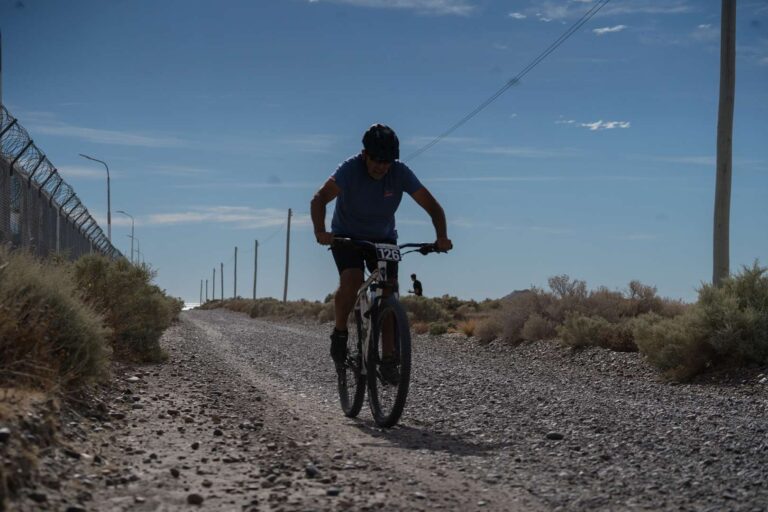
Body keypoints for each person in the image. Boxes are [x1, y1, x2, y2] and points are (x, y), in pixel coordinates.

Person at [310, 123, 452, 380]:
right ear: (365, 154)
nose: (381, 167)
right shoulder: (349, 169)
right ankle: (340, 333)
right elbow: (319, 199)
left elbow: (433, 206)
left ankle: (389, 359)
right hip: (347, 236)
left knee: (389, 290)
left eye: (387, 162)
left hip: (384, 239)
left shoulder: (400, 172)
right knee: (352, 279)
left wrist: (441, 237)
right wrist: (321, 231)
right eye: (376, 160)